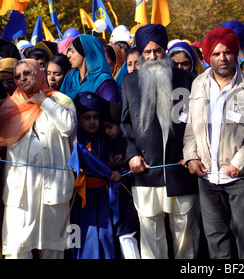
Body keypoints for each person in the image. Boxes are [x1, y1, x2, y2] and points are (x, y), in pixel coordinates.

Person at [183, 27, 244, 259]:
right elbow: (192, 126)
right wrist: (191, 156)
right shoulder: (198, 84)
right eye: (216, 53)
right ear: (208, 56)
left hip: (240, 176)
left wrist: (240, 161)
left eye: (227, 53)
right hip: (208, 177)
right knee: (216, 237)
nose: (222, 58)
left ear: (236, 54)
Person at [121, 23, 200, 259]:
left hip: (180, 170)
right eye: (147, 52)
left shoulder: (188, 79)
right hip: (146, 170)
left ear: (165, 50)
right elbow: (125, 124)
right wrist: (132, 154)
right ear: (141, 53)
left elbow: (197, 122)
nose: (152, 56)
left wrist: (192, 154)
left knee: (185, 238)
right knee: (150, 240)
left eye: (157, 51)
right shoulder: (130, 82)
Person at [0, 59, 76, 259]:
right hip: (21, 192)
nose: (22, 78)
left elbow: (68, 127)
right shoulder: (10, 107)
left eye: (26, 73)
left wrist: (44, 102)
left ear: (38, 72)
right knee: (17, 249)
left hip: (53, 189)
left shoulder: (60, 100)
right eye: (17, 76)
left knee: (53, 249)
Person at [70, 91, 121, 259]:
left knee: (105, 234)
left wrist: (114, 169)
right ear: (78, 119)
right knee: (85, 233)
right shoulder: (75, 140)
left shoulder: (104, 139)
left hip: (102, 194)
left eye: (96, 117)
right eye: (86, 117)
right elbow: (81, 160)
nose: (92, 122)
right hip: (82, 196)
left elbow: (107, 162)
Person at [102, 101, 141, 259]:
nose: (107, 132)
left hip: (129, 198)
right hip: (116, 197)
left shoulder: (129, 142)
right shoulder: (107, 145)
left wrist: (126, 159)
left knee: (127, 235)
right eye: (104, 127)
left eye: (110, 127)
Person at [60, 34, 120, 103]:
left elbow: (111, 110)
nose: (68, 55)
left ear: (86, 52)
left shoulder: (104, 83)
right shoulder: (70, 77)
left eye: (72, 51)